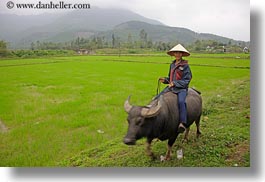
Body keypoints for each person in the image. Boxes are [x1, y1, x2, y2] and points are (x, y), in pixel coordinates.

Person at [159, 44, 192, 133]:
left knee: (181, 102)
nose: (177, 54)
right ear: (173, 54)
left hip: (181, 89)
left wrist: (175, 83)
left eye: (179, 53)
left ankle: (182, 122)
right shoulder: (172, 65)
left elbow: (187, 80)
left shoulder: (185, 66)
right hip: (172, 88)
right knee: (157, 98)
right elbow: (170, 78)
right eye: (175, 52)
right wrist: (165, 80)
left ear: (182, 54)